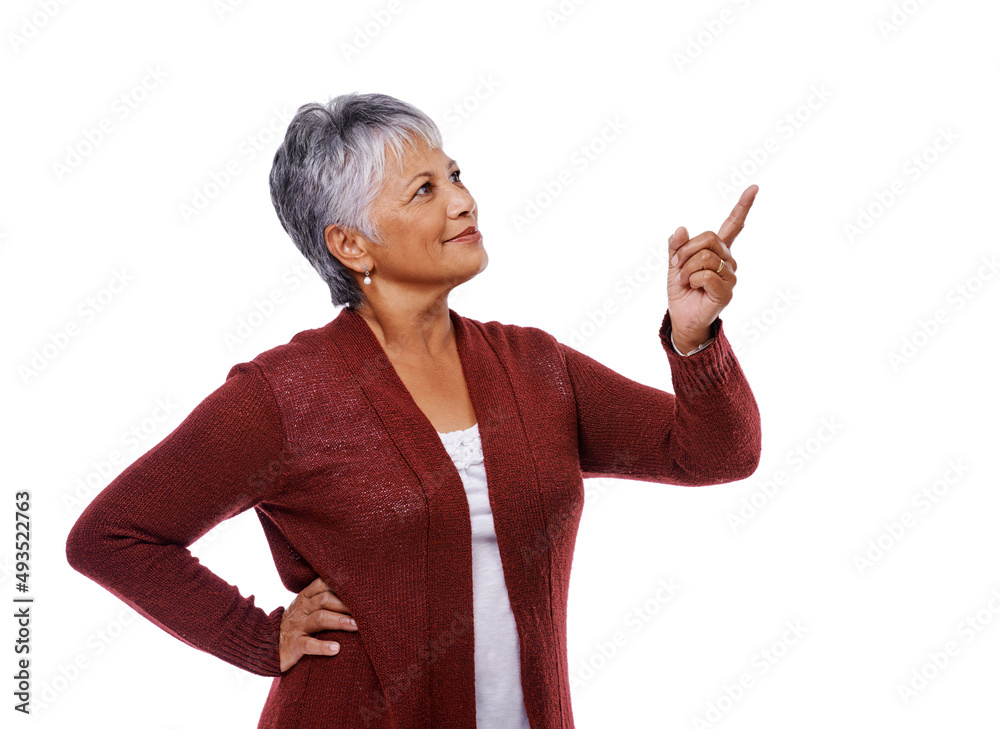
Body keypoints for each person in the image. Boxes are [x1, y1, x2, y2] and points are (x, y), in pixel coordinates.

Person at [65, 91, 762, 728]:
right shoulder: (286, 394)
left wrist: (693, 335)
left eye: (455, 175)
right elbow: (113, 535)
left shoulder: (536, 367)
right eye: (424, 190)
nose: (463, 202)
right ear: (349, 243)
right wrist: (259, 635)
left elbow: (714, 452)